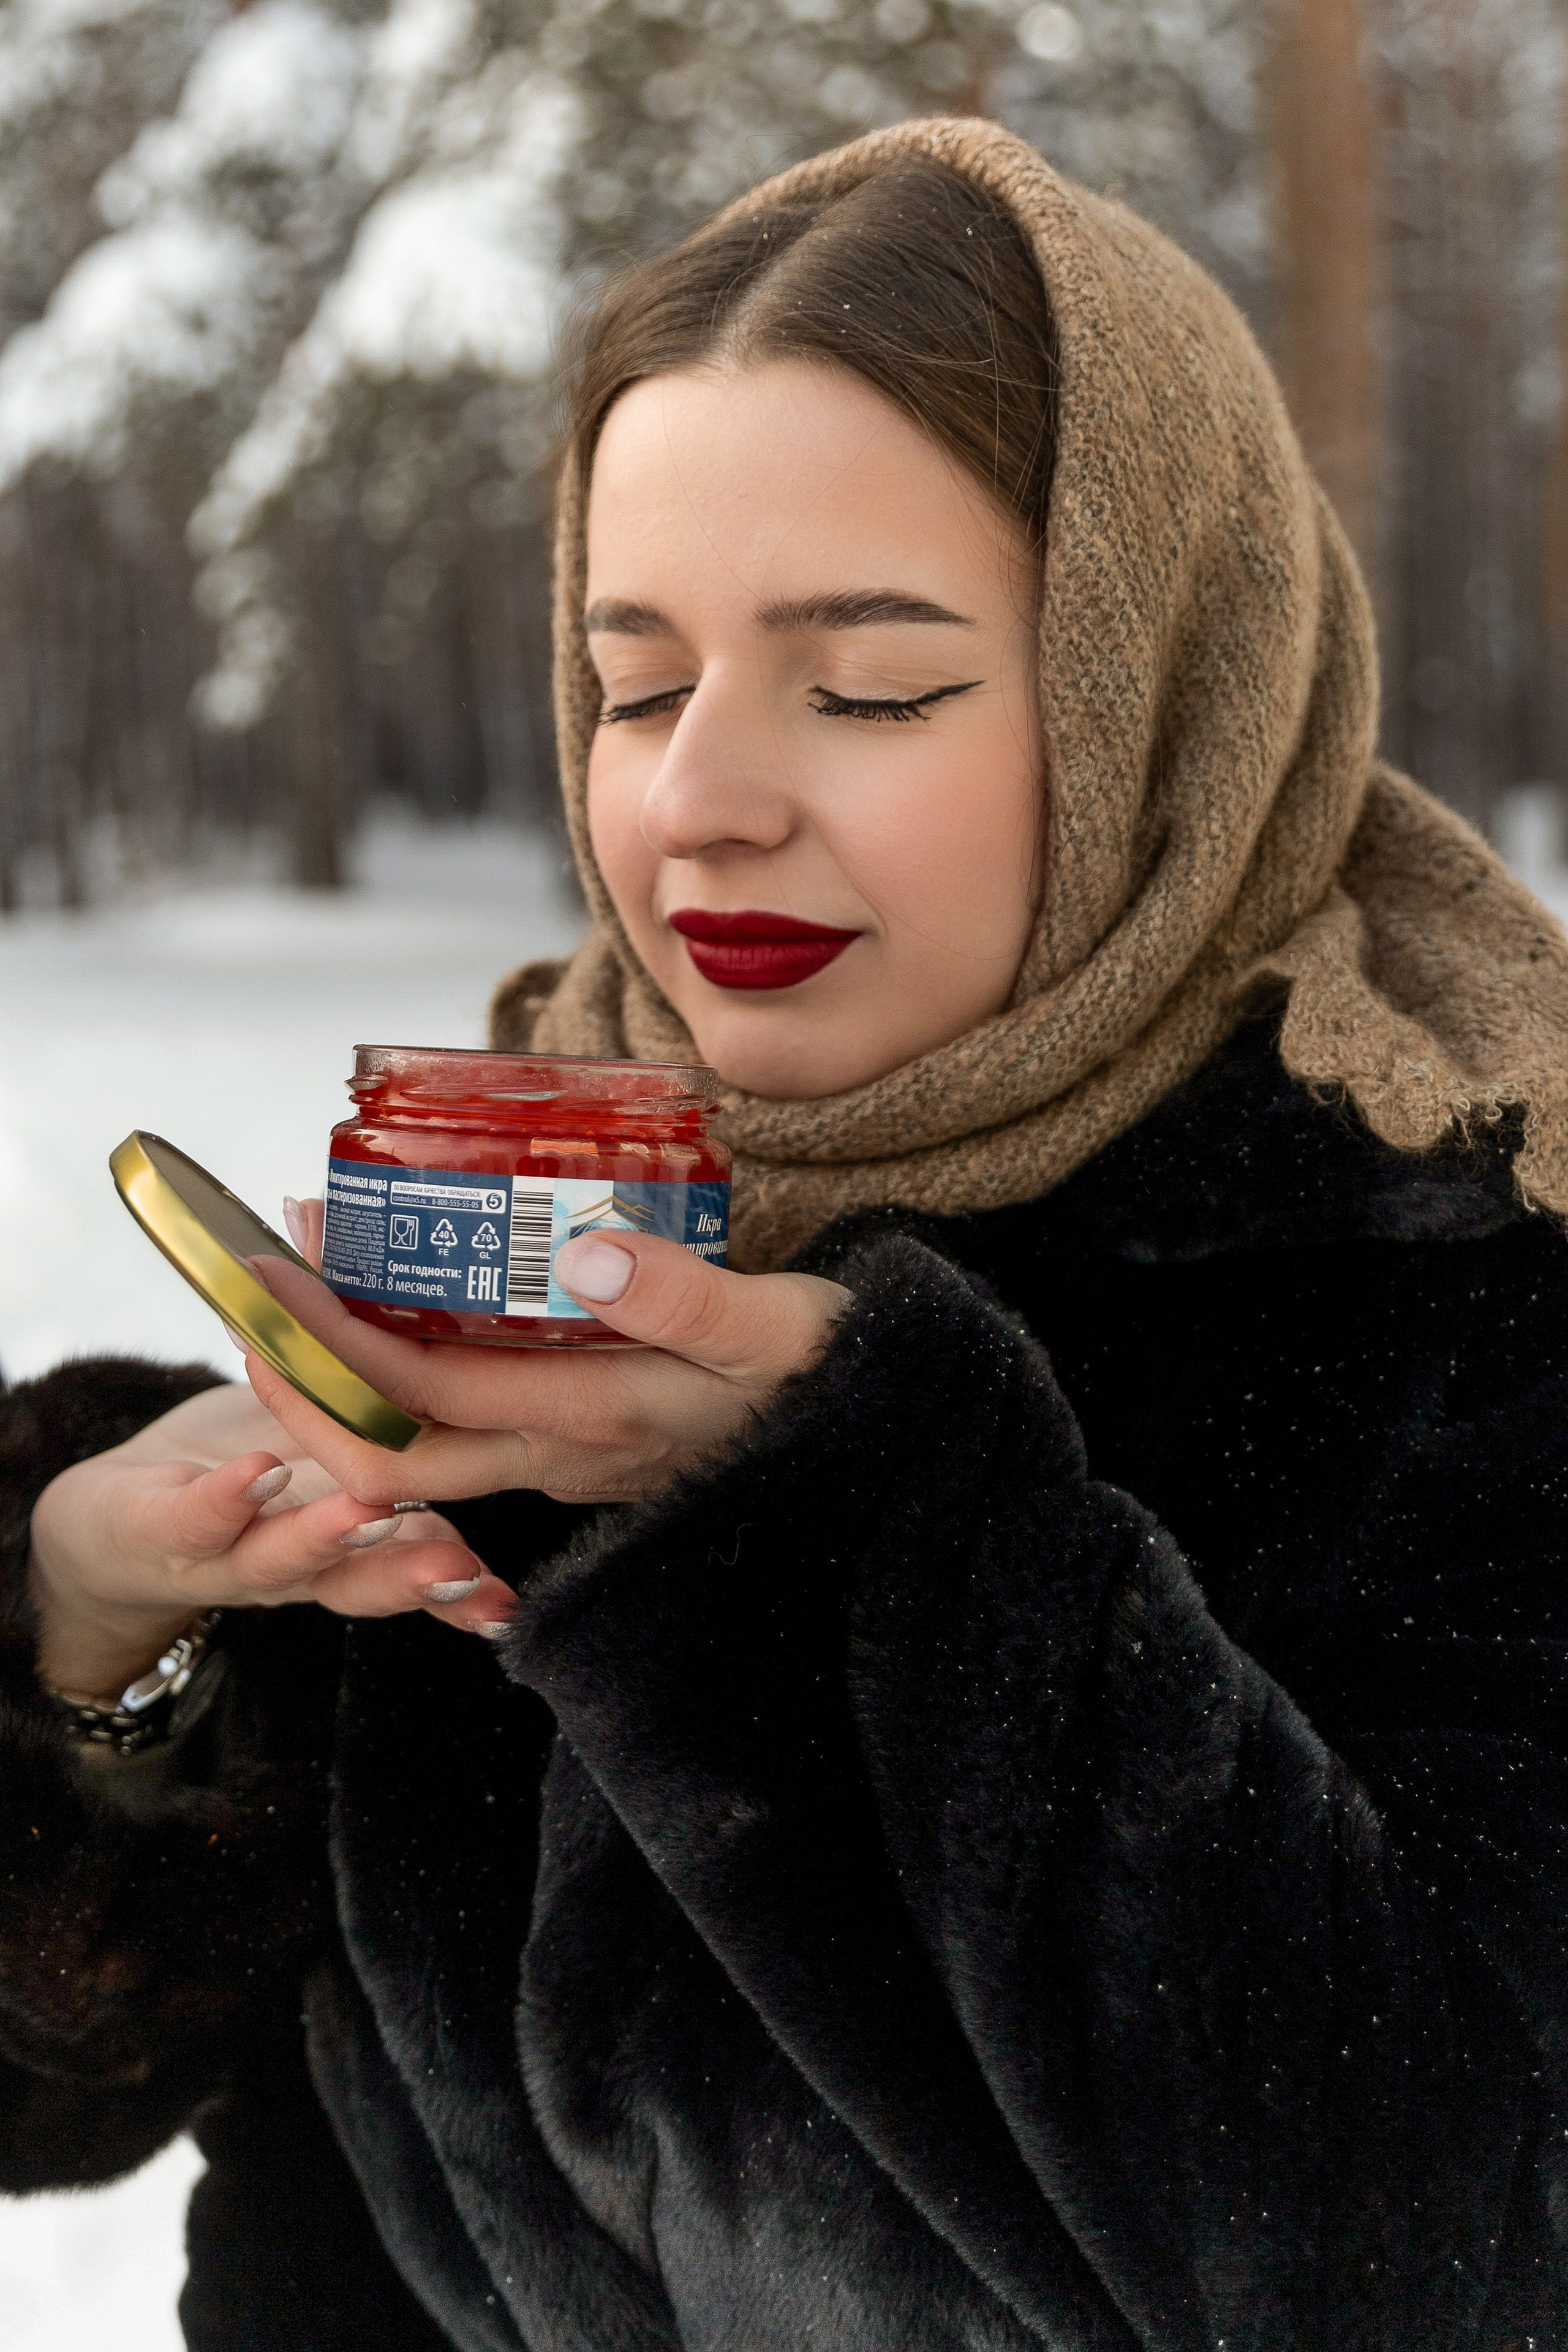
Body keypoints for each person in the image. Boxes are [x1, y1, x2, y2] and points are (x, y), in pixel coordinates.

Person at [6, 114, 1568, 2351]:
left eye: (873, 682)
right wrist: (86, 1645)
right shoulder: (533, 1213)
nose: (697, 793)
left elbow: (1448, 2249)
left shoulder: (1471, 1303)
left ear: (1170, 710)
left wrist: (838, 1514)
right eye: (638, 680)